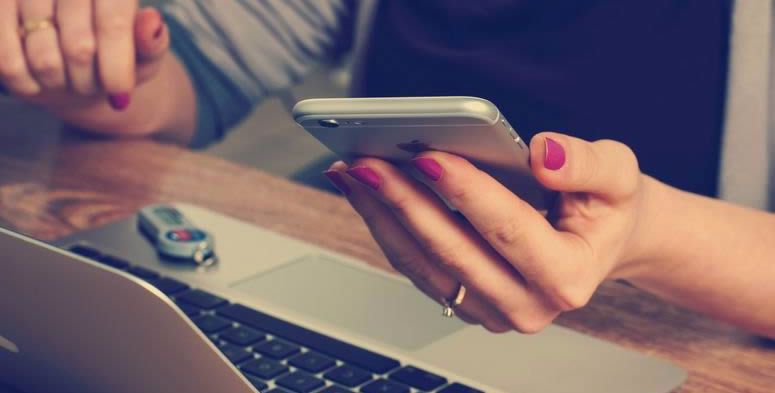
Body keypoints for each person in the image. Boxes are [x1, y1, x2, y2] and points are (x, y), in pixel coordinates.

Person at [0, 0, 773, 338]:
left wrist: (648, 234)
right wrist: (93, 65)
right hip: (375, 293)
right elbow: (199, 72)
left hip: (683, 347)